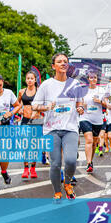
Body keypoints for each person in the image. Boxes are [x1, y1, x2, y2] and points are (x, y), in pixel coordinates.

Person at [32, 53, 84, 201]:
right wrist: (46, 107)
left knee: (71, 160)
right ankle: (57, 191)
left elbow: (79, 103)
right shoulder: (46, 85)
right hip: (51, 129)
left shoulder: (75, 84)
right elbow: (34, 105)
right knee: (55, 164)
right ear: (53, 66)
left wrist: (80, 108)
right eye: (59, 62)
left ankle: (67, 184)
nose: (63, 64)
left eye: (65, 62)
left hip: (70, 128)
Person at [79, 72, 107, 173]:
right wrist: (82, 106)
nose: (93, 79)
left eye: (95, 77)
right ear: (88, 79)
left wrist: (99, 101)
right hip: (85, 118)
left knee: (94, 142)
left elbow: (107, 104)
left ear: (97, 79)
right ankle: (88, 163)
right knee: (89, 140)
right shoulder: (83, 90)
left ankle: (91, 161)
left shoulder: (101, 90)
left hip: (98, 120)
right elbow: (79, 103)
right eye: (91, 78)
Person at [17, 70, 42, 179]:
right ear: (26, 80)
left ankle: (33, 168)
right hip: (25, 120)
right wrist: (19, 110)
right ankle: (26, 167)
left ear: (35, 80)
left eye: (32, 78)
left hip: (36, 121)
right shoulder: (21, 92)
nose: (30, 80)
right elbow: (17, 104)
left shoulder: (39, 91)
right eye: (28, 78)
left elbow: (44, 104)